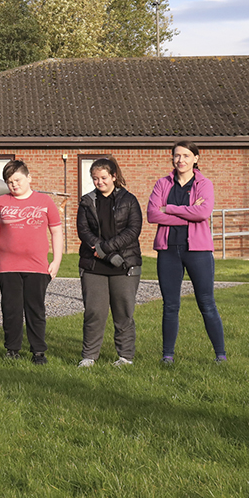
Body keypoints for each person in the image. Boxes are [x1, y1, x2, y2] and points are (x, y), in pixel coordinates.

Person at [146, 140, 226, 364]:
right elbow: (153, 215)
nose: (180, 160)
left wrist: (169, 209)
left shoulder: (204, 184)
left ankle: (220, 355)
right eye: (177, 156)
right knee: (170, 305)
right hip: (168, 250)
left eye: (186, 156)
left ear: (195, 159)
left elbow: (202, 213)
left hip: (198, 251)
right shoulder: (163, 183)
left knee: (206, 303)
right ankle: (167, 355)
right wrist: (186, 214)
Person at [0, 160, 64, 365]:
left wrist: (56, 261)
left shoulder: (45, 202)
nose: (14, 185)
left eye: (17, 180)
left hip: (38, 267)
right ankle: (12, 349)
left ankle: (38, 351)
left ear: (29, 177)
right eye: (9, 182)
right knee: (11, 310)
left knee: (35, 310)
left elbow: (56, 232)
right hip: (7, 267)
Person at [76, 157, 142, 367]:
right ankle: (89, 356)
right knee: (94, 312)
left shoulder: (129, 200)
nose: (99, 182)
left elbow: (133, 230)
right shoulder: (86, 202)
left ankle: (125, 357)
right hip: (94, 266)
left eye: (103, 177)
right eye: (95, 178)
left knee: (123, 312)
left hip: (124, 265)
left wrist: (107, 248)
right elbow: (84, 231)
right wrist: (101, 251)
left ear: (114, 176)